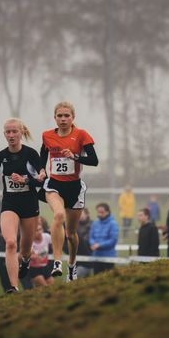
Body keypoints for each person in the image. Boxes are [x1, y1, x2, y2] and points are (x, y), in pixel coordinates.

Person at [0, 118, 44, 294]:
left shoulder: (31, 154)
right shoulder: (0, 156)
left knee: (25, 249)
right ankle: (13, 286)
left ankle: (25, 260)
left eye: (14, 132)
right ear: (4, 134)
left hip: (30, 204)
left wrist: (25, 179)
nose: (11, 135)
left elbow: (41, 181)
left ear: (21, 132)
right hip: (10, 203)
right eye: (7, 132)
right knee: (10, 243)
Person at [40, 101, 98, 282]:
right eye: (60, 116)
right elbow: (43, 155)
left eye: (67, 116)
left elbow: (94, 161)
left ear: (73, 118)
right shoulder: (47, 135)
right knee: (58, 216)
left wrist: (75, 156)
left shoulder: (81, 135)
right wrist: (42, 170)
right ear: (55, 118)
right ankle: (57, 262)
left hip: (74, 188)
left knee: (71, 234)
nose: (63, 119)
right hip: (55, 185)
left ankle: (72, 266)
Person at [89, 203, 119, 275]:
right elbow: (91, 237)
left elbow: (113, 240)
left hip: (109, 257)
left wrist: (99, 245)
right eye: (98, 212)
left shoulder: (113, 224)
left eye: (102, 212)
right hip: (96, 257)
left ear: (107, 212)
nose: (99, 214)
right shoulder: (95, 223)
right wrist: (93, 244)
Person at [29, 217, 54, 288]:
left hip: (45, 267)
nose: (39, 232)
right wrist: (33, 256)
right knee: (44, 288)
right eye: (36, 230)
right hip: (34, 269)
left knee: (52, 286)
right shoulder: (30, 242)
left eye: (40, 229)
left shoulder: (46, 236)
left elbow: (55, 244)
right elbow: (28, 255)